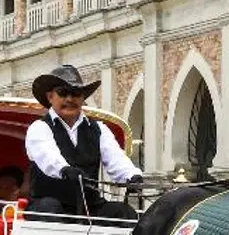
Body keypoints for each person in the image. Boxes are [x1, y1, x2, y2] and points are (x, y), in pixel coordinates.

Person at [24, 65, 141, 220]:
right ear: (50, 96)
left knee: (123, 213)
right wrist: (64, 170)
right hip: (49, 204)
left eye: (76, 93)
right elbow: (47, 155)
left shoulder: (99, 129)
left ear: (82, 97)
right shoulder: (39, 128)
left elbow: (116, 158)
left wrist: (132, 176)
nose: (70, 99)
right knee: (50, 209)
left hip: (89, 206)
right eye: (63, 93)